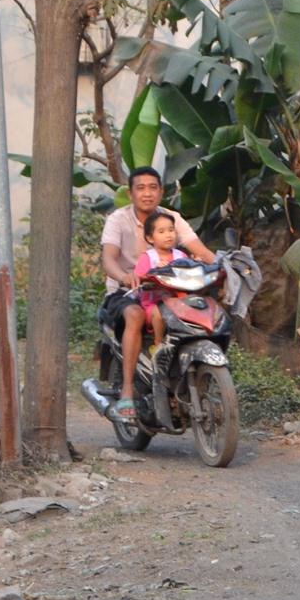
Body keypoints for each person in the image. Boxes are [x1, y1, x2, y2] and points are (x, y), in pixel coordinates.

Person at [101, 167, 211, 419]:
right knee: (136, 315)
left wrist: (222, 266)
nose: (147, 193)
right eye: (140, 188)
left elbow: (199, 250)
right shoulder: (118, 219)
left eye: (153, 188)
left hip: (171, 291)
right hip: (128, 292)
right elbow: (108, 258)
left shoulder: (170, 218)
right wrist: (124, 276)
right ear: (130, 193)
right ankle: (127, 391)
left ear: (161, 192)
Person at [123, 211, 183, 411]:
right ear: (150, 238)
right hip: (152, 303)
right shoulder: (148, 257)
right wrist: (151, 275)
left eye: (171, 230)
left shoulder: (180, 256)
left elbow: (191, 269)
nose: (168, 235)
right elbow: (139, 275)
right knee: (159, 313)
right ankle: (158, 346)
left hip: (177, 302)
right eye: (162, 231)